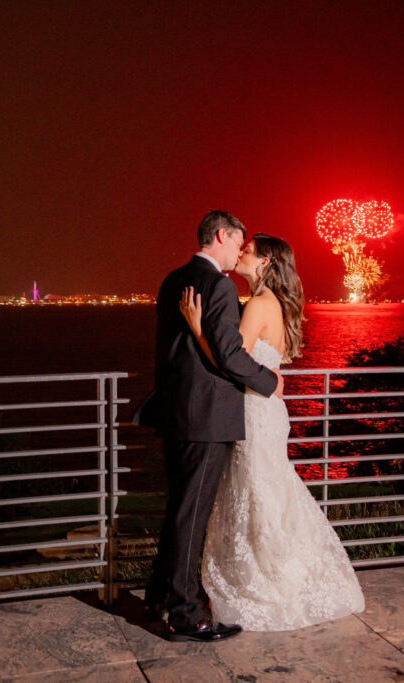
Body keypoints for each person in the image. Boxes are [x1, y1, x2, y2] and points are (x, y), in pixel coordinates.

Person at [179, 233, 365, 631]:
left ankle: (268, 583)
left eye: (247, 252)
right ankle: (284, 575)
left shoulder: (258, 305)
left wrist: (197, 329)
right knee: (266, 493)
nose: (240, 254)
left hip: (254, 412)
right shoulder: (273, 304)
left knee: (257, 495)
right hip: (267, 411)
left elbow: (230, 361)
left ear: (264, 263)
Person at [142, 210, 283, 643]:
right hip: (205, 417)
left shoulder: (171, 280)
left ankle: (158, 595)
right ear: (220, 235)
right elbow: (228, 354)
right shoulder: (218, 284)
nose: (240, 251)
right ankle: (185, 614)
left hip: (175, 411)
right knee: (191, 514)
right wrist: (268, 380)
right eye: (238, 243)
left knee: (178, 509)